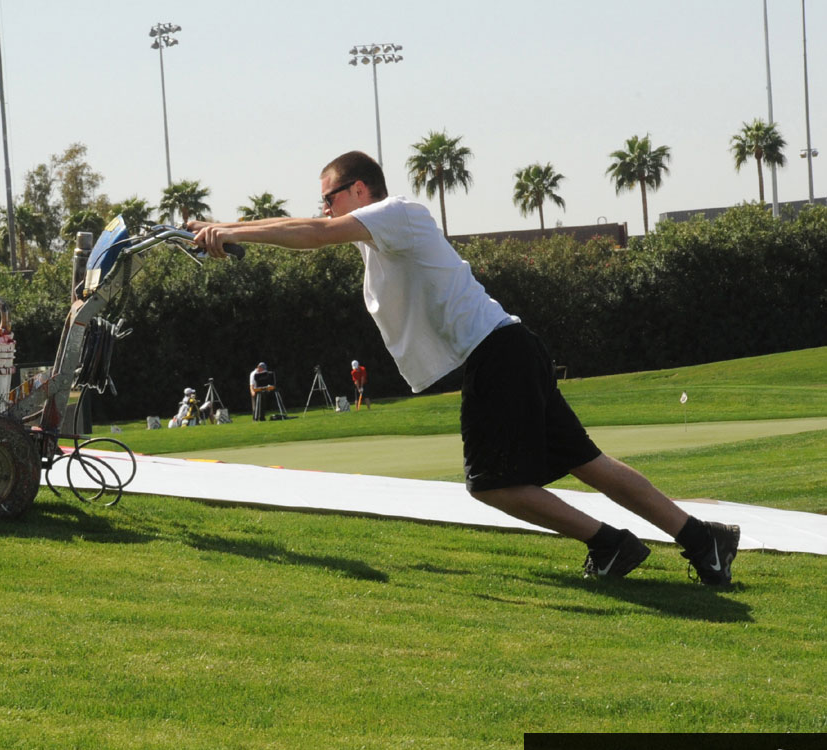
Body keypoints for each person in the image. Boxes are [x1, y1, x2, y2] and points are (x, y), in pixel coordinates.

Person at [190, 150, 739, 585]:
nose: (326, 208)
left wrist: (232, 233)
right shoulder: (379, 233)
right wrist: (224, 226)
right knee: (586, 461)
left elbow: (311, 232)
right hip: (508, 346)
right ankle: (700, 538)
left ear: (359, 190)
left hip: (496, 354)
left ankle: (610, 544)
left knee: (491, 485)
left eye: (330, 197)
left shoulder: (396, 214)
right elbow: (302, 224)